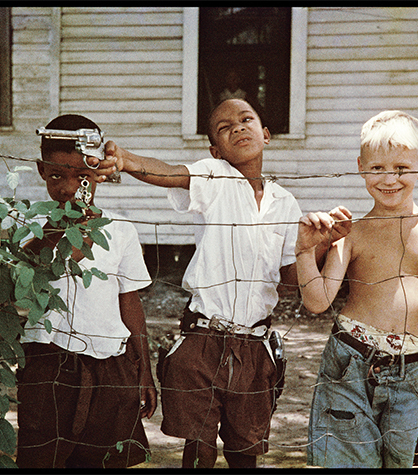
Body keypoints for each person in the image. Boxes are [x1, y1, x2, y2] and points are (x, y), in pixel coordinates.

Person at [93, 98, 309, 468]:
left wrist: (314, 247)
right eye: (225, 128)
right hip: (204, 339)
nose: (238, 128)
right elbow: (168, 172)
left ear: (266, 134)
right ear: (215, 149)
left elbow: (289, 282)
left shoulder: (286, 204)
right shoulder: (215, 177)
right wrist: (127, 160)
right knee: (200, 445)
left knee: (246, 449)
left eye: (246, 120)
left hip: (256, 344)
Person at [295, 110, 418, 468]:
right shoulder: (352, 232)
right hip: (349, 363)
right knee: (348, 461)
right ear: (361, 167)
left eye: (401, 168)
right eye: (377, 168)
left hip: (407, 369)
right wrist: (304, 250)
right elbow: (317, 301)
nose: (389, 178)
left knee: (399, 461)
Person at [16, 114, 157, 468]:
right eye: (56, 176)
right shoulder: (25, 224)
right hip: (49, 362)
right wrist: (57, 227)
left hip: (111, 364)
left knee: (102, 460)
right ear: (40, 169)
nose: (68, 187)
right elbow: (25, 276)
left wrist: (145, 369)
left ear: (100, 173)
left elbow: (130, 301)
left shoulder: (121, 230)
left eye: (82, 176)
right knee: (44, 458)